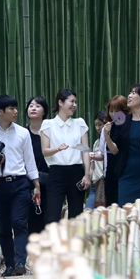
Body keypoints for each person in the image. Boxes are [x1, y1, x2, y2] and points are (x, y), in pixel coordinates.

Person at [0, 95, 40, 278]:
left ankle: (20, 262)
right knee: (3, 227)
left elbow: (30, 160)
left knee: (19, 223)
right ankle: (9, 264)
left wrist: (36, 184)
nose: (16, 111)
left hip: (19, 183)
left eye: (16, 108)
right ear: (0, 112)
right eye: (12, 108)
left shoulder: (22, 132)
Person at [41, 89, 91, 223]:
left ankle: (76, 244)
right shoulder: (48, 124)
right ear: (60, 103)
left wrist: (87, 174)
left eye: (76, 102)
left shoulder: (79, 123)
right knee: (53, 214)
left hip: (76, 171)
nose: (74, 105)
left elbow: (85, 150)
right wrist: (57, 149)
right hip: (56, 172)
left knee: (76, 215)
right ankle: (53, 243)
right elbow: (45, 151)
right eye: (71, 101)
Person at [104, 85, 140, 206]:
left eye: (134, 93)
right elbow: (115, 150)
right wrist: (106, 135)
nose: (129, 96)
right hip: (126, 173)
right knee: (125, 211)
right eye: (129, 92)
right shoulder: (122, 121)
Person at [98, 95, 130, 206]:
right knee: (111, 204)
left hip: (123, 168)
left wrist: (107, 135)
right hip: (110, 170)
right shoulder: (110, 126)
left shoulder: (127, 125)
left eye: (117, 111)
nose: (113, 114)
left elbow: (115, 150)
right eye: (111, 111)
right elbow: (103, 151)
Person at [26, 96, 50, 234]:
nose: (33, 108)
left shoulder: (50, 133)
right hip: (27, 181)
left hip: (48, 181)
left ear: (44, 111)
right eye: (31, 105)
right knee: (30, 220)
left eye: (37, 106)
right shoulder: (22, 134)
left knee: (48, 220)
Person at [86, 110, 106, 209]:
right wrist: (87, 177)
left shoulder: (112, 142)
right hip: (96, 184)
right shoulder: (97, 143)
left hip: (107, 183)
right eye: (96, 125)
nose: (98, 128)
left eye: (100, 125)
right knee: (88, 212)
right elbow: (92, 166)